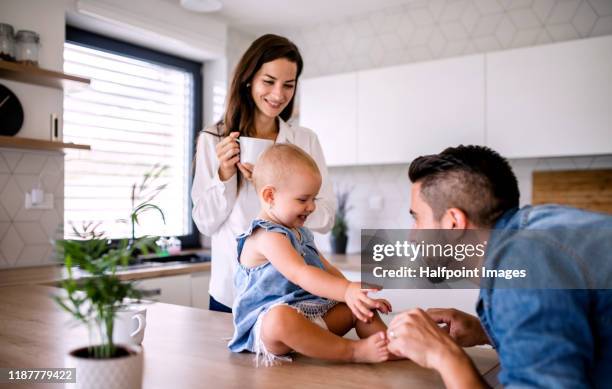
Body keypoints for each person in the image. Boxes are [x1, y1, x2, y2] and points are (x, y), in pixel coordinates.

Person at [386, 145, 612, 388]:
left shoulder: (520, 267)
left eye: (417, 217)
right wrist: (485, 331)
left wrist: (443, 355)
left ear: (453, 223)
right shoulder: (531, 235)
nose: (411, 236)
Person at [191, 34, 335, 312]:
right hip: (230, 293)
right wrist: (225, 174)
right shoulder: (213, 140)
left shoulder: (305, 141)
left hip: (289, 293)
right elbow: (205, 223)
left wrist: (274, 186)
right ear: (249, 79)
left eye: (288, 85)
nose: (278, 94)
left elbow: (326, 217)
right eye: (268, 81)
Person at [228, 143, 393, 365]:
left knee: (357, 310)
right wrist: (345, 291)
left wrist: (355, 296)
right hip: (271, 328)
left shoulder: (300, 232)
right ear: (270, 196)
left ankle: (390, 345)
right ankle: (353, 351)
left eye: (314, 199)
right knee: (279, 319)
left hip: (308, 315)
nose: (312, 207)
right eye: (303, 199)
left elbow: (326, 268)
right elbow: (301, 273)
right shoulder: (266, 236)